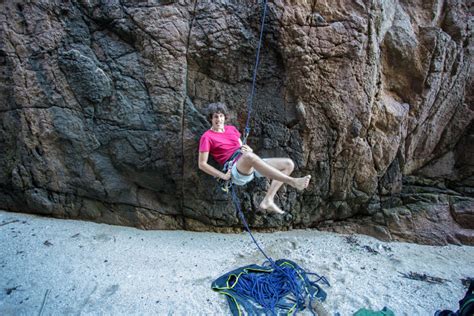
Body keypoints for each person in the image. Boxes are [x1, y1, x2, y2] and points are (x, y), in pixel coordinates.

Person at [198, 102, 311, 214]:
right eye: (215, 117)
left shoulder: (231, 129)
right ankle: (292, 181)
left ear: (225, 117)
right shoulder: (207, 137)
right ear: (211, 119)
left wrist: (249, 150)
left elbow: (241, 147)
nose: (219, 119)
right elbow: (202, 164)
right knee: (248, 157)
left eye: (221, 116)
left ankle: (268, 200)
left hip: (248, 162)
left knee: (288, 164)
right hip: (235, 170)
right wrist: (222, 175)